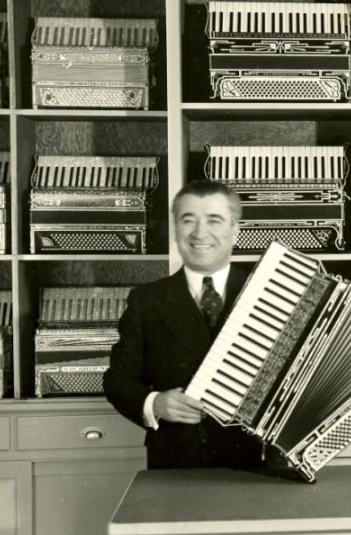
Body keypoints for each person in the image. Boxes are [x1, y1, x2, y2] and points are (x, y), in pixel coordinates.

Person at [103, 179, 264, 470]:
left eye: (214, 220)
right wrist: (154, 403)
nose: (200, 233)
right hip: (179, 462)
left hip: (258, 462)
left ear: (235, 229)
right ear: (175, 230)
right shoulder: (146, 300)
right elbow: (118, 380)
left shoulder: (270, 293)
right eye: (188, 220)